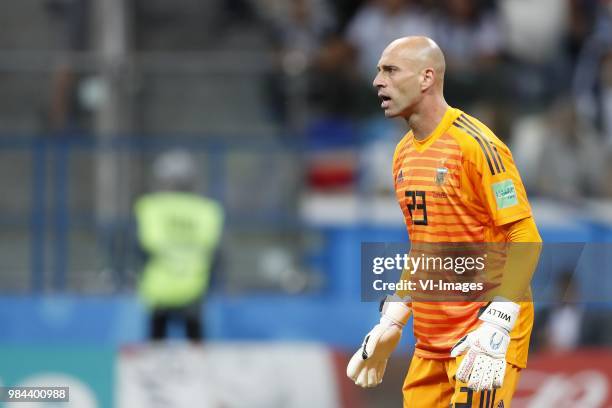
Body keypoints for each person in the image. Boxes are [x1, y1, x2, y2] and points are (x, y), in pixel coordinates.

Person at [346, 37, 542, 407]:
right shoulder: (403, 155)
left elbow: (526, 236)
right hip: (432, 338)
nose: (377, 81)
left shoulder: (478, 146)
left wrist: (498, 321)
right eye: (377, 71)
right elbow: (425, 249)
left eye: (389, 70)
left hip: (484, 333)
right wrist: (393, 320)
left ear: (426, 78)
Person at [134, 149, 224, 341]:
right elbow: (214, 251)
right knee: (196, 343)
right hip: (194, 286)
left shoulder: (151, 207)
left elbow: (144, 247)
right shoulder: (207, 210)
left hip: (158, 288)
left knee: (155, 345)